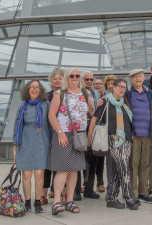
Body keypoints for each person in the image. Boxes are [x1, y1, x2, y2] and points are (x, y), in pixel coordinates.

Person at [47, 68, 94, 215]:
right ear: (67, 78)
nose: (74, 78)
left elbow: (91, 112)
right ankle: (56, 202)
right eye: (72, 76)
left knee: (74, 170)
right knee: (62, 170)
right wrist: (60, 133)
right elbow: (51, 115)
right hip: (64, 135)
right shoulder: (60, 93)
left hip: (79, 135)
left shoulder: (85, 93)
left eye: (77, 76)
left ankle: (70, 201)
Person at [88, 79, 139, 210]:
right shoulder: (105, 101)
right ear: (113, 87)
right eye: (120, 87)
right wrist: (89, 140)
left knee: (117, 169)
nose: (122, 89)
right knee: (124, 167)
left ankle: (111, 197)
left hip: (126, 140)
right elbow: (94, 119)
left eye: (124, 87)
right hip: (113, 139)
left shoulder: (124, 103)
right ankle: (128, 197)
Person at [13, 80, 51, 213]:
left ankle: (37, 201)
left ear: (40, 90)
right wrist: (15, 145)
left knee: (39, 173)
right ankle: (27, 201)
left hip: (41, 141)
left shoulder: (46, 104)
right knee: (26, 173)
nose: (34, 89)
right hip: (25, 141)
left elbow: (50, 123)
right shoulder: (22, 106)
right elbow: (17, 125)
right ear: (27, 90)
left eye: (37, 87)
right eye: (32, 87)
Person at [125, 69, 152, 205]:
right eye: (134, 77)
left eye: (140, 76)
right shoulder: (128, 93)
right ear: (131, 79)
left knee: (145, 164)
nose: (137, 79)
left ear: (143, 78)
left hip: (148, 134)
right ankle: (133, 193)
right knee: (133, 163)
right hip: (134, 134)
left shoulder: (150, 93)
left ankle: (143, 192)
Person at [76, 71, 104, 201]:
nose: (89, 81)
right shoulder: (77, 91)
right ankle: (76, 190)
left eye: (91, 79)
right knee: (78, 159)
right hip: (80, 128)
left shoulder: (96, 93)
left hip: (92, 127)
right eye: (86, 79)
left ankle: (89, 188)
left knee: (92, 160)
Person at [42, 67, 65, 205]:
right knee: (46, 165)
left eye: (60, 78)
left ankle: (60, 193)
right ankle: (43, 194)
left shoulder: (66, 95)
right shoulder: (45, 96)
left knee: (59, 165)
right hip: (48, 132)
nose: (57, 80)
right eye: (55, 78)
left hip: (61, 133)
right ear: (51, 80)